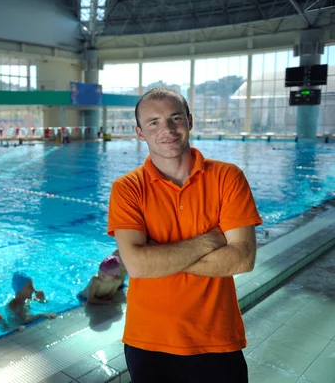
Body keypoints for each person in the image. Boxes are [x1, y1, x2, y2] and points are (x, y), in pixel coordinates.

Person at [107, 87, 262, 383]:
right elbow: (138, 267)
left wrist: (159, 257)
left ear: (189, 121)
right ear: (140, 133)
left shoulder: (228, 177)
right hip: (148, 341)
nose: (166, 129)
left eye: (174, 118)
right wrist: (212, 240)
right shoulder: (127, 188)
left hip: (216, 338)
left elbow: (242, 259)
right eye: (154, 122)